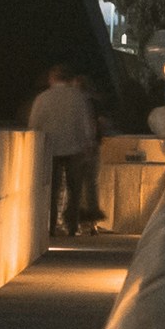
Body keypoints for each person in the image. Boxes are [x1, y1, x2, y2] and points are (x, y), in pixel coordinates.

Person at [29, 59, 102, 235]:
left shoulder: (43, 98)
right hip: (75, 148)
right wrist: (89, 143)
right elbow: (86, 123)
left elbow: (34, 124)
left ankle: (51, 226)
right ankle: (72, 225)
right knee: (74, 190)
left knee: (52, 190)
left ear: (52, 79)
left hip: (51, 148)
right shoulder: (78, 97)